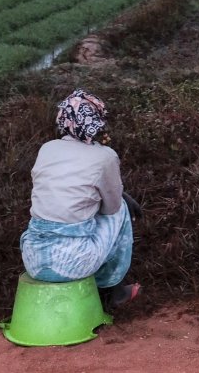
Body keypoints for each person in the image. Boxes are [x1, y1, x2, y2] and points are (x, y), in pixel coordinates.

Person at [19, 88, 141, 310]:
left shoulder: (46, 149)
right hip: (73, 264)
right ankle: (112, 289)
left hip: (33, 259)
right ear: (97, 122)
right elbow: (111, 208)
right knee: (121, 208)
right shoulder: (105, 155)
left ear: (63, 120)